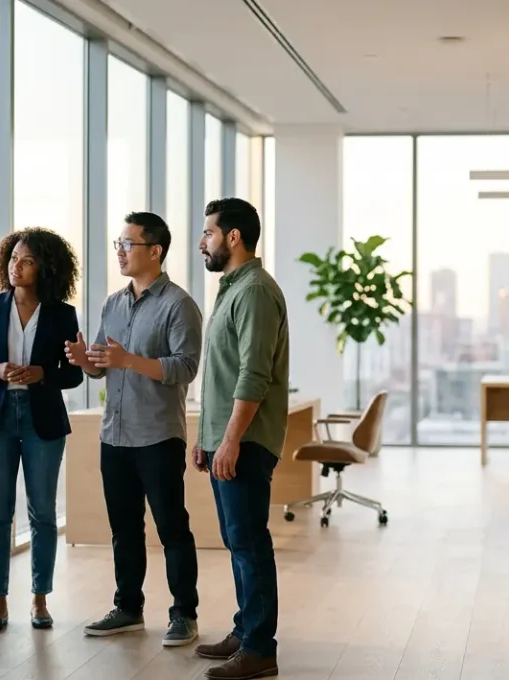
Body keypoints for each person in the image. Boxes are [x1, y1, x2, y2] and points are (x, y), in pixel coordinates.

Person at [64, 212, 204, 647]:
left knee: (171, 528)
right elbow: (105, 370)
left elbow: (185, 367)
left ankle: (184, 614)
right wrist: (86, 360)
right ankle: (128, 608)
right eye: (118, 244)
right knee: (124, 529)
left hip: (158, 436)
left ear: (155, 250)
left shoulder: (179, 305)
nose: (121, 252)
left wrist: (129, 361)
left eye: (129, 244)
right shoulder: (113, 303)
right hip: (115, 436)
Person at [0, 227, 84, 634]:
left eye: (27, 260)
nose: (17, 266)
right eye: (13, 258)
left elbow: (74, 375)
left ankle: (39, 600)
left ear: (44, 266)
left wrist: (42, 373)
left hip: (42, 419)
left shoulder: (63, 314)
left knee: (43, 512)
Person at [191, 198, 289, 680]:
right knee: (238, 541)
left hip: (245, 443)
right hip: (226, 439)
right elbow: (221, 373)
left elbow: (254, 374)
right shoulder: (232, 290)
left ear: (233, 237)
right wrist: (205, 437)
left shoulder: (253, 291)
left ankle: (258, 648)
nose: (201, 242)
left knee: (249, 542)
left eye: (208, 233)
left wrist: (229, 441)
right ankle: (244, 629)